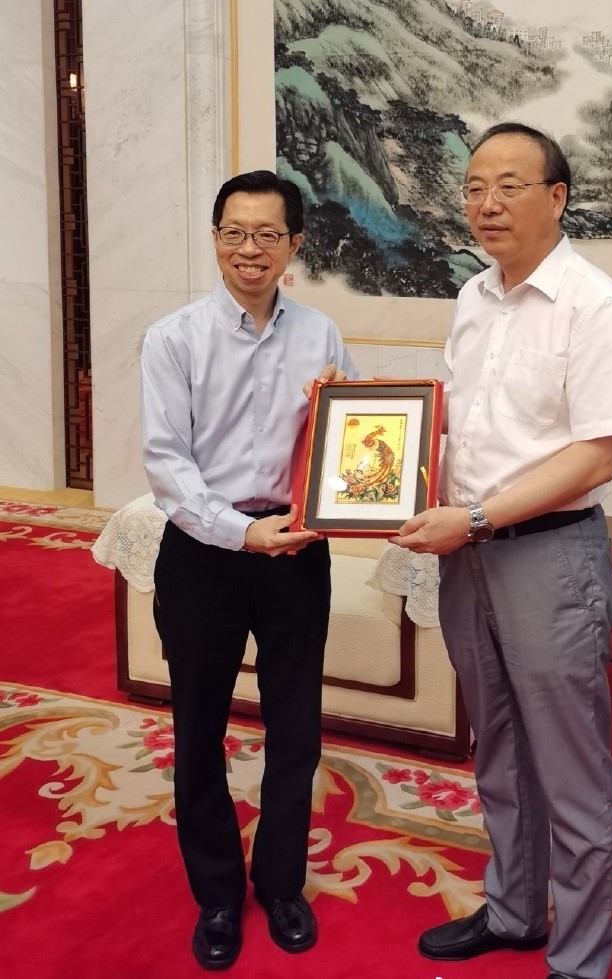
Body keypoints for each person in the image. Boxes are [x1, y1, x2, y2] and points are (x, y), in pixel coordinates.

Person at [390, 123, 612, 979]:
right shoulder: (473, 297)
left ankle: (578, 959)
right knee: (495, 746)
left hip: (547, 555)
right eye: (471, 186)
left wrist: (476, 518)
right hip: (470, 551)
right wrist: (364, 429)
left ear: (557, 197)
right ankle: (512, 909)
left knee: (570, 768)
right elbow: (467, 417)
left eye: (507, 184)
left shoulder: (594, 304)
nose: (486, 203)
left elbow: (594, 452)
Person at [140, 170, 358, 971]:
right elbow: (168, 466)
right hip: (205, 551)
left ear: (295, 244)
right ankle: (219, 896)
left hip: (297, 550)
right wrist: (241, 535)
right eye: (234, 232)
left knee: (295, 727)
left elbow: (351, 440)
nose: (249, 249)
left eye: (268, 234)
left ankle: (281, 882)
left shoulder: (322, 335)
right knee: (198, 728)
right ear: (214, 237)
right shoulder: (174, 338)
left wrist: (345, 411)